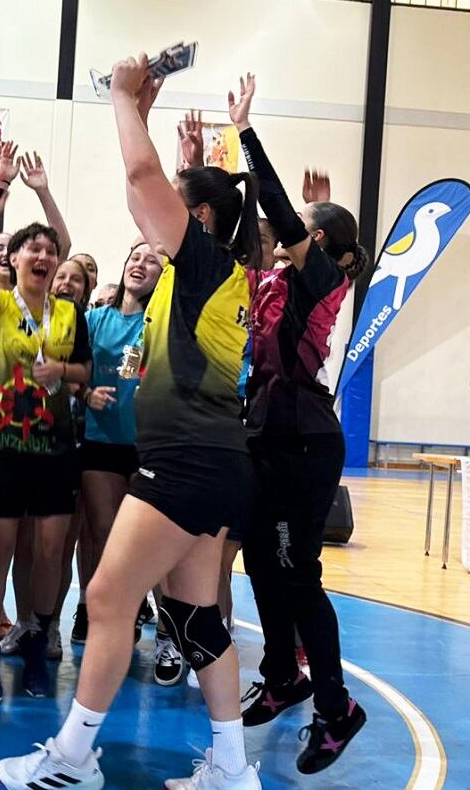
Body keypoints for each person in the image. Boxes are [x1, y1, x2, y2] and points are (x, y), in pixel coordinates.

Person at [0, 54, 264, 790]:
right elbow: (143, 187)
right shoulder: (207, 269)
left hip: (185, 460)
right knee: (195, 617)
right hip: (213, 460)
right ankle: (233, 769)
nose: (150, 224)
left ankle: (72, 759)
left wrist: (117, 95)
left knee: (111, 596)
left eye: (179, 206)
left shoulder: (207, 262)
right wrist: (141, 118)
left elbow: (147, 189)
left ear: (199, 218)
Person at [230, 74, 368, 773]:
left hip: (304, 441)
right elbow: (253, 231)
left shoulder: (321, 280)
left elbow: (281, 219)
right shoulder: (276, 278)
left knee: (298, 574)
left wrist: (248, 134)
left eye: (305, 230)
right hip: (264, 435)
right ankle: (284, 675)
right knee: (260, 558)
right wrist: (221, 165)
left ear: (316, 241)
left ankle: (336, 705)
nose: (289, 235)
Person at [0, 220, 91, 704]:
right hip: (3, 453)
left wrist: (61, 370)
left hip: (55, 453)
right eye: (32, 248)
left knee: (50, 554)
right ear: (12, 260)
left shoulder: (69, 313)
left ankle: (37, 647)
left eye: (50, 250)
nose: (43, 255)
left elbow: (83, 371)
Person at [72, 243, 163, 657]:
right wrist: (86, 392)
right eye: (135, 258)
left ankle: (156, 621)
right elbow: (72, 373)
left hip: (148, 445)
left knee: (145, 541)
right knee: (101, 534)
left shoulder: (158, 321)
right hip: (100, 442)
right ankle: (94, 612)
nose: (141, 265)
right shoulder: (94, 319)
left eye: (152, 261)